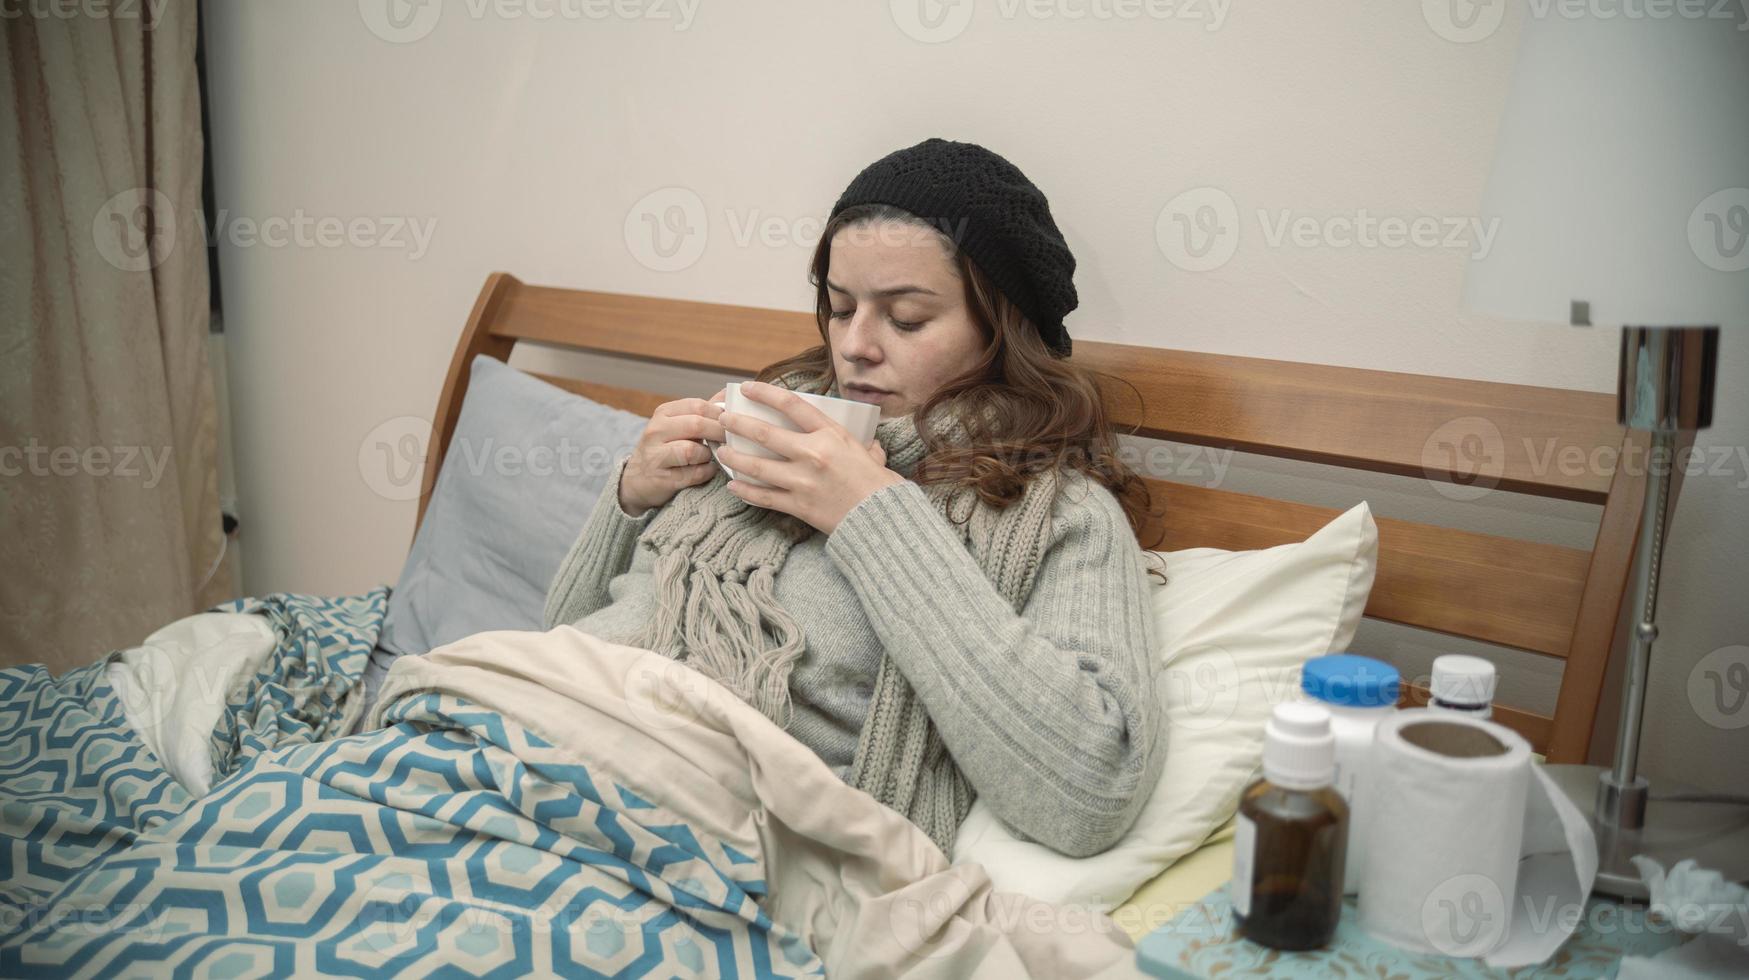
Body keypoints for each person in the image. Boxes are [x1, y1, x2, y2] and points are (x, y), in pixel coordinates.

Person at [545, 137, 1168, 858]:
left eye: (905, 318)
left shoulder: (1059, 517)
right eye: (840, 309)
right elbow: (562, 636)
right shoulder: (755, 427)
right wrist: (627, 498)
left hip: (680, 838)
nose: (856, 347)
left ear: (999, 329)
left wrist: (870, 517)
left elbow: (1090, 794)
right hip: (523, 739)